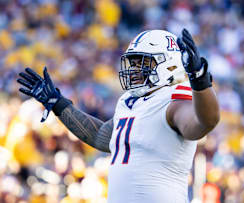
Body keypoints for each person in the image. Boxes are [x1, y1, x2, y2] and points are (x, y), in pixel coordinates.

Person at [17, 29, 220, 203]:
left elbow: (205, 122)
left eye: (142, 63)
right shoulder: (129, 102)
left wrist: (199, 79)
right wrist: (57, 103)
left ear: (169, 65)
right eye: (132, 63)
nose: (133, 70)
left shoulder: (174, 99)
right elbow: (100, 136)